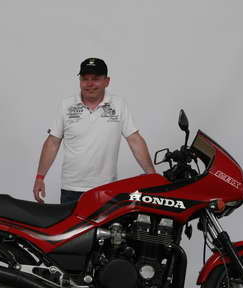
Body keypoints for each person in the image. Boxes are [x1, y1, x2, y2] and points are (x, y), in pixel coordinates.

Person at [33, 58, 156, 205]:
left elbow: (134, 140)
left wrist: (152, 176)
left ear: (107, 81)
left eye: (96, 79)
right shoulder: (66, 105)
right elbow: (52, 142)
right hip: (71, 190)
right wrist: (40, 177)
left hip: (107, 190)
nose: (90, 84)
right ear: (80, 81)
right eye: (85, 79)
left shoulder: (119, 105)